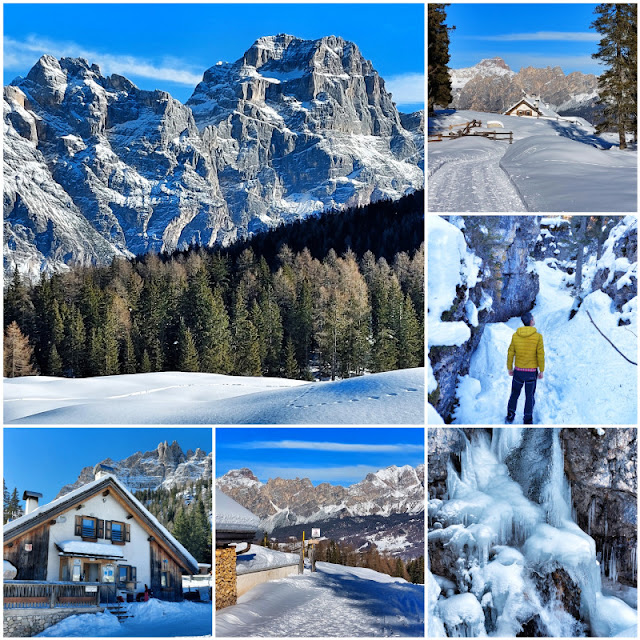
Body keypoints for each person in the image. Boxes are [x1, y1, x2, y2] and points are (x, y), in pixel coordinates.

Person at [505, 311, 544, 424]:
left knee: (514, 394)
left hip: (518, 371)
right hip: (531, 372)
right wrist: (541, 370)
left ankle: (510, 415)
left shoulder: (516, 335)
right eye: (533, 317)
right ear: (531, 321)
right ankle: (527, 419)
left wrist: (510, 368)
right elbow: (540, 354)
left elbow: (510, 352)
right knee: (529, 396)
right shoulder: (538, 337)